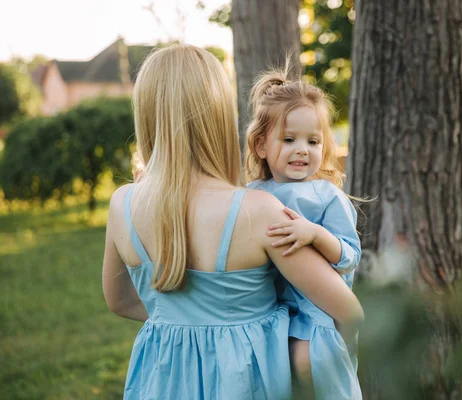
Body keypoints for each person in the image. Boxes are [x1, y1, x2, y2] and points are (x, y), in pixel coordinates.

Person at [101, 44, 363, 399]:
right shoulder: (258, 211)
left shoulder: (123, 203)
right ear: (219, 114)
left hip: (161, 381)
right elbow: (349, 312)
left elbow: (121, 302)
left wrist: (188, 328)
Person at [245, 67, 362, 399]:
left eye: (313, 141)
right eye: (288, 139)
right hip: (269, 311)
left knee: (308, 365)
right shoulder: (252, 193)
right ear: (260, 146)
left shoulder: (326, 196)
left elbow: (349, 256)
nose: (302, 149)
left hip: (316, 313)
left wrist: (315, 234)